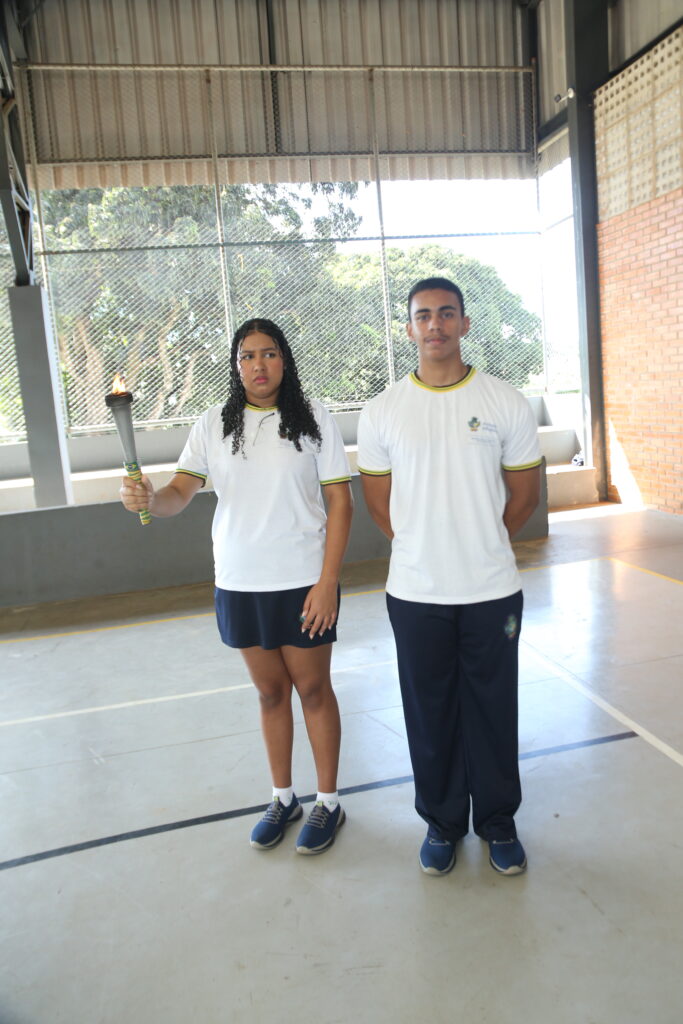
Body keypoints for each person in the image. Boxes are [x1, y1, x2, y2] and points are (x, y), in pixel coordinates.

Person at [120, 318, 353, 855]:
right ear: (235, 365)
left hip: (302, 582)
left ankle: (329, 801)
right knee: (270, 693)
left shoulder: (314, 418)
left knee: (313, 690)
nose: (258, 364)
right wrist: (149, 499)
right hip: (240, 582)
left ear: (284, 360)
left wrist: (328, 581)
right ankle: (283, 798)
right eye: (247, 356)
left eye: (268, 353)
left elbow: (341, 501)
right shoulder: (212, 423)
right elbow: (179, 492)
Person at [357, 277, 541, 877]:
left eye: (445, 313)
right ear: (409, 328)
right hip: (416, 594)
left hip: (491, 592)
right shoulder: (383, 410)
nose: (434, 325)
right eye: (423, 315)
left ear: (464, 323)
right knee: (428, 712)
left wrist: (480, 542)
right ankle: (441, 824)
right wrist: (425, 547)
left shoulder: (504, 401)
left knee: (493, 709)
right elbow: (380, 505)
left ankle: (498, 822)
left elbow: (524, 496)